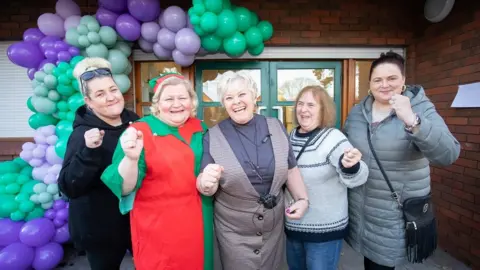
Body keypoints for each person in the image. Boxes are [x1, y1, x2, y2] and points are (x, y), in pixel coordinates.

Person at [344, 51, 460, 269]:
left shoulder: (420, 108)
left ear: (404, 80)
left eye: (392, 78)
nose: (384, 85)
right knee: (368, 262)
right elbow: (346, 145)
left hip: (394, 216)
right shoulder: (358, 112)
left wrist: (413, 121)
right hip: (361, 211)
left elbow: (449, 154)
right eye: (378, 79)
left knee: (381, 264)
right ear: (369, 83)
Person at [101, 68, 213, 270]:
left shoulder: (200, 128)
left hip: (197, 220)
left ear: (192, 102)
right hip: (157, 226)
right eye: (169, 99)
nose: (177, 104)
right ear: (157, 104)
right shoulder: (138, 131)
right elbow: (125, 187)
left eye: (182, 98)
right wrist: (131, 159)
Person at [197, 70, 309, 270]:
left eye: (242, 94)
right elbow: (207, 186)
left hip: (273, 230)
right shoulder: (212, 137)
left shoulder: (276, 126)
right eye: (229, 97)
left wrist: (302, 199)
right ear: (223, 103)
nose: (236, 101)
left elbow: (291, 169)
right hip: (234, 233)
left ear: (254, 96)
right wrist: (207, 182)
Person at [57, 57, 139, 270]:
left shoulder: (137, 123)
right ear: (89, 102)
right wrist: (88, 152)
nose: (111, 98)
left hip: (136, 221)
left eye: (113, 90)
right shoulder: (82, 134)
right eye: (100, 94)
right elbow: (68, 186)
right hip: (100, 229)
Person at [285, 85, 369, 270]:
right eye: (300, 104)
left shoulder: (333, 138)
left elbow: (359, 177)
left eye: (311, 105)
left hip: (324, 231)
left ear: (323, 110)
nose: (303, 109)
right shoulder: (290, 137)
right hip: (293, 226)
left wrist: (351, 165)